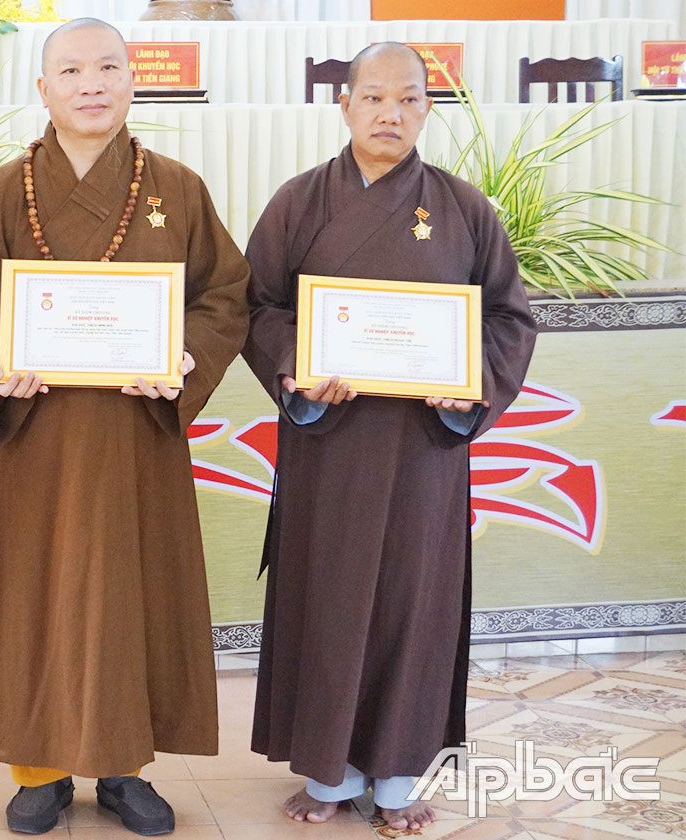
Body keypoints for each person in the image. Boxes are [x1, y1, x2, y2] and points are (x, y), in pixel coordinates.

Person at [0, 18, 250, 837]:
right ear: (43, 89)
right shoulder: (5, 190)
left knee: (132, 593)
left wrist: (182, 359)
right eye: (70, 70)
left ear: (133, 80)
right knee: (40, 591)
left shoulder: (175, 188)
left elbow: (225, 295)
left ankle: (122, 766)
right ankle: (40, 769)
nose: (91, 83)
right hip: (40, 433)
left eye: (108, 66)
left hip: (139, 432)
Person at [241, 42, 537, 831]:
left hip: (422, 452)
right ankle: (331, 777)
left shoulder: (465, 207)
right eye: (374, 97)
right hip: (330, 444)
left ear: (427, 110)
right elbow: (258, 305)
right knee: (326, 602)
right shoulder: (300, 201)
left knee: (415, 608)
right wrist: (297, 368)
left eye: (408, 99)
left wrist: (466, 377)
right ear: (344, 104)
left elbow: (509, 317)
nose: (390, 113)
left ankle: (399, 779)